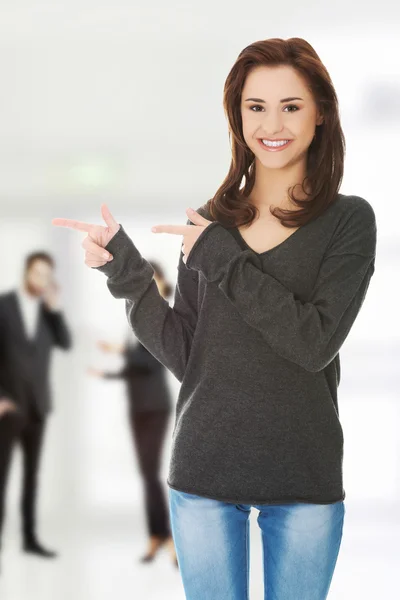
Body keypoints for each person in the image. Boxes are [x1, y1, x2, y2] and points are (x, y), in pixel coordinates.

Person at [52, 37, 377, 600]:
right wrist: (128, 276)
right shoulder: (210, 222)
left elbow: (314, 342)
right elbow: (188, 352)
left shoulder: (348, 221)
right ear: (238, 115)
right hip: (203, 470)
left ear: (320, 113)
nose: (271, 123)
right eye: (256, 107)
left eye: (291, 105)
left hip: (303, 474)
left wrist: (223, 258)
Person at [88, 261, 178, 566]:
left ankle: (170, 539)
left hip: (155, 407)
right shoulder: (135, 313)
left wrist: (119, 351)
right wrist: (107, 375)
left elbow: (154, 360)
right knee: (147, 476)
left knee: (153, 476)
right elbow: (134, 369)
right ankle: (157, 537)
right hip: (137, 407)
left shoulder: (164, 312)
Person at [0, 251, 72, 570]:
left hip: (38, 407)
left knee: (31, 477)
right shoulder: (4, 306)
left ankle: (29, 540)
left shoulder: (48, 312)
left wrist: (55, 310)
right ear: (27, 272)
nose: (42, 280)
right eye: (38, 273)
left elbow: (66, 343)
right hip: (8, 407)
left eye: (47, 275)